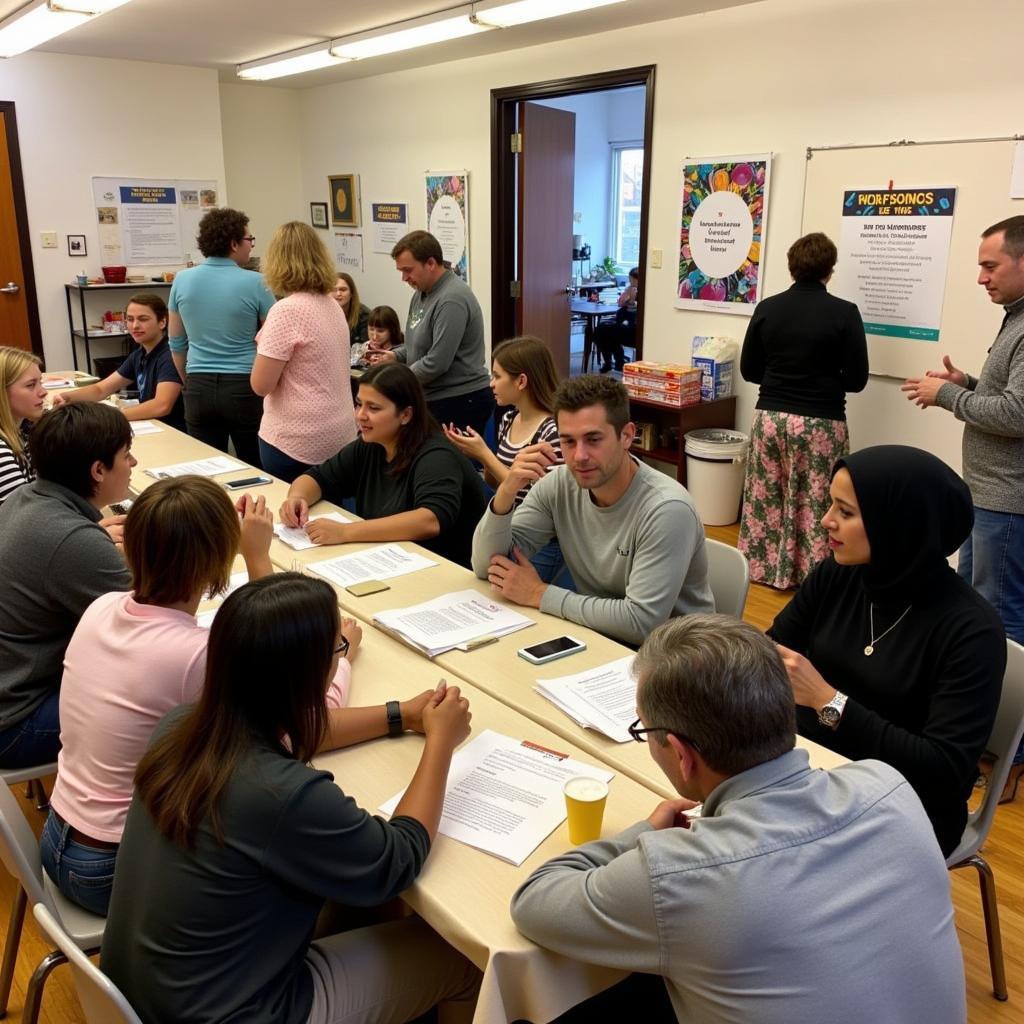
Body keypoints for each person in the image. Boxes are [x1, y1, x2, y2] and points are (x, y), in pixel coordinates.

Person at [511, 615, 967, 1024]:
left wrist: (644, 833)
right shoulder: (888, 786)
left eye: (645, 732)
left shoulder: (676, 873)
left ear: (683, 755)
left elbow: (534, 901)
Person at [101, 573, 480, 1024]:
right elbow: (397, 858)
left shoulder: (180, 727)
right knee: (463, 961)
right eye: (335, 654)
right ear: (305, 680)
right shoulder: (283, 794)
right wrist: (441, 743)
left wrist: (399, 714)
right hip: (239, 1012)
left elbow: (295, 729)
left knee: (355, 903)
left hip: (146, 995)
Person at [40, 476, 276, 915]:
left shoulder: (101, 607)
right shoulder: (194, 656)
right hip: (112, 869)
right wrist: (259, 559)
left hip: (58, 836)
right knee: (286, 869)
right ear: (218, 559)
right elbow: (291, 719)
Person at [768, 445, 1005, 856]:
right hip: (816, 770)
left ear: (898, 525)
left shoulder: (971, 631)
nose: (826, 522)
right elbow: (770, 651)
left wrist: (829, 702)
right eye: (831, 506)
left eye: (845, 512)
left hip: (907, 808)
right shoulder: (838, 576)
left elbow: (942, 769)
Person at [471, 374, 713, 646]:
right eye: (568, 442)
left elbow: (641, 623)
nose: (579, 456)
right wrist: (506, 492)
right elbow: (485, 566)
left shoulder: (667, 509)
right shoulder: (559, 485)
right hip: (599, 639)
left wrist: (540, 594)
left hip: (674, 660)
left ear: (627, 436)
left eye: (593, 439)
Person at [902, 216, 1024, 645]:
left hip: (1007, 502)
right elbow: (1007, 394)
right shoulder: (1015, 317)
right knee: (974, 604)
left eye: (990, 266)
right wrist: (966, 385)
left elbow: (1017, 414)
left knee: (1001, 616)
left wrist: (947, 397)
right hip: (989, 495)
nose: (980, 278)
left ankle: (1002, 711)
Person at [0, 404, 133, 768]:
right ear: (98, 470)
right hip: (16, 723)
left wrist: (93, 539)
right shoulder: (71, 540)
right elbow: (150, 622)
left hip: (13, 687)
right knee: (172, 707)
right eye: (126, 455)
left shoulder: (25, 499)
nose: (133, 464)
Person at [738, 232, 868, 589]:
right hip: (821, 422)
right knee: (818, 500)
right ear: (830, 270)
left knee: (766, 495)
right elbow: (857, 380)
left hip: (771, 417)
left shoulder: (768, 308)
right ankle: (815, 578)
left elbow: (749, 370)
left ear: (791, 267)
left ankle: (763, 570)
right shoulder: (845, 313)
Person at [280, 363, 488, 569]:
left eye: (373, 408)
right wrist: (297, 498)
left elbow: (429, 520)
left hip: (444, 570)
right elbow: (319, 477)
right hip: (391, 560)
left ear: (406, 415)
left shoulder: (436, 457)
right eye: (359, 404)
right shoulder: (372, 444)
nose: (361, 415)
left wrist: (345, 532)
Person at [444, 335, 569, 585]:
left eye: (497, 376)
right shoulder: (509, 419)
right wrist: (480, 456)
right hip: (509, 529)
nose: (491, 384)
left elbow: (539, 497)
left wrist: (484, 454)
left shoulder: (552, 430)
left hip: (540, 540)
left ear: (521, 381)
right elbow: (498, 485)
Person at [168, 207, 276, 466]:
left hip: (198, 387)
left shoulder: (181, 280)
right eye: (249, 240)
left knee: (206, 470)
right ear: (233, 243)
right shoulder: (257, 282)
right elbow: (274, 338)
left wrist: (189, 379)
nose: (251, 246)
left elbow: (176, 341)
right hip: (244, 386)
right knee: (254, 465)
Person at [251, 222, 357, 482]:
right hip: (339, 432)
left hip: (296, 440)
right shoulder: (332, 305)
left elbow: (261, 385)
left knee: (293, 515)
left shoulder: (286, 310)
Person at [369, 230, 494, 435]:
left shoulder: (451, 299)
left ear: (431, 263)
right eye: (401, 271)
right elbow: (415, 346)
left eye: (408, 270)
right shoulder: (421, 293)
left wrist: (398, 379)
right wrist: (395, 356)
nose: (404, 278)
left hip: (459, 400)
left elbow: (437, 362)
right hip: (432, 397)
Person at [51, 293, 185, 430]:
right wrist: (67, 397)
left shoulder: (169, 356)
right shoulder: (138, 355)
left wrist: (113, 416)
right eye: (130, 319)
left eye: (143, 319)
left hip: (174, 433)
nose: (135, 325)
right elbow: (100, 389)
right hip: (154, 426)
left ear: (162, 322)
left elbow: (162, 405)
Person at [0, 346, 45, 505]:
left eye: (40, 382)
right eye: (31, 385)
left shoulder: (23, 428)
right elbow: (25, 518)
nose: (43, 392)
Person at [595, 267, 639, 373]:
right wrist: (626, 298)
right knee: (601, 329)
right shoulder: (629, 289)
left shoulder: (643, 292)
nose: (631, 282)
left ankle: (617, 361)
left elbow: (636, 310)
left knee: (603, 331)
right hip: (625, 321)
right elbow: (620, 303)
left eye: (632, 280)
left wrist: (633, 301)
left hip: (634, 329)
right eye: (630, 279)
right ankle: (612, 362)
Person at [333, 271, 370, 346]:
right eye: (334, 290)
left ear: (351, 293)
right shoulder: (323, 312)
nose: (338, 294)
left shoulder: (364, 315)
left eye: (343, 290)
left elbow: (364, 347)